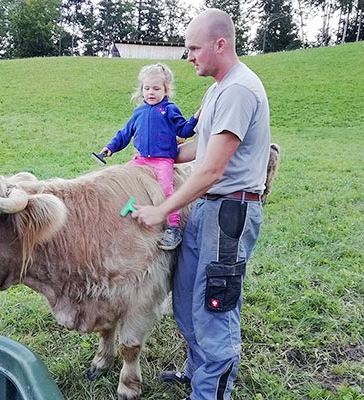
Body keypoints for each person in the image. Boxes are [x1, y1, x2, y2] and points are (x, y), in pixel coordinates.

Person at [132, 9, 271, 400]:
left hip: (229, 212)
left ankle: (209, 393)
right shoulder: (216, 91)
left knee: (215, 306)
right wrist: (154, 153)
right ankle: (197, 371)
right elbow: (197, 148)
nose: (188, 56)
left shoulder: (240, 90)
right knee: (188, 298)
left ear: (220, 44)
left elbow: (210, 168)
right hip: (206, 209)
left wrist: (161, 210)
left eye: (193, 48)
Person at [101, 62, 200, 250]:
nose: (150, 92)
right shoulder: (139, 112)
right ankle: (125, 213)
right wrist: (110, 147)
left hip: (162, 160)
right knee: (119, 180)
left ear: (166, 89)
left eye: (156, 88)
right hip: (141, 159)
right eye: (147, 88)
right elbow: (125, 134)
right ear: (141, 90)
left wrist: (195, 118)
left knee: (166, 190)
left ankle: (173, 227)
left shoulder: (170, 109)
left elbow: (184, 130)